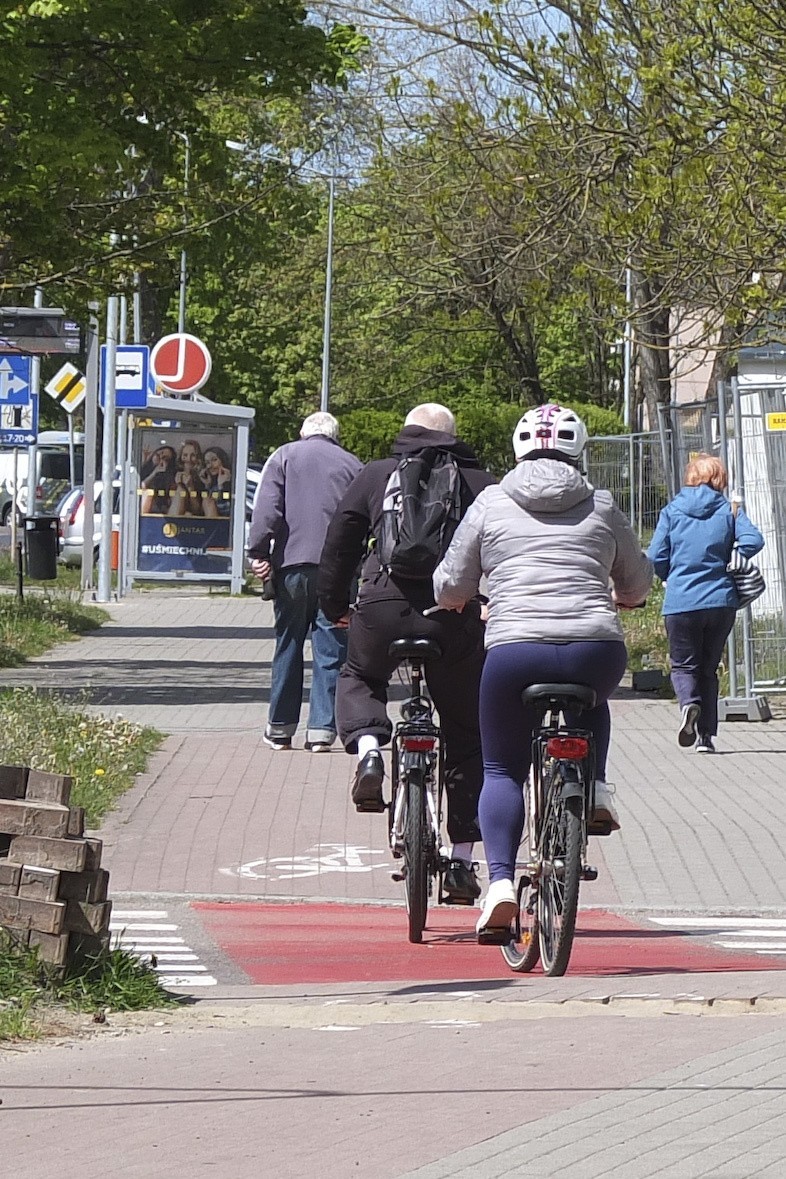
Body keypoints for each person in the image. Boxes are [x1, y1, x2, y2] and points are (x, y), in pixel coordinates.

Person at [433, 403, 653, 936]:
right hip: (593, 649)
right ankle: (596, 787)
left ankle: (502, 884)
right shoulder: (601, 504)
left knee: (501, 769)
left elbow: (450, 583)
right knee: (590, 700)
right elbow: (638, 582)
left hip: (515, 651)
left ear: (517, 448)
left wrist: (463, 599)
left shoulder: (491, 501)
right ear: (579, 451)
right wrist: (624, 597)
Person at [318, 403, 496, 904]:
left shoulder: (375, 475)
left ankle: (371, 752)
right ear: (452, 437)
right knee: (466, 729)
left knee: (357, 675)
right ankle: (462, 861)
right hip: (452, 611)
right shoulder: (480, 482)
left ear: (406, 432)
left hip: (384, 605)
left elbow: (339, 545)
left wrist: (335, 606)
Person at [248, 411, 363, 752]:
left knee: (289, 644)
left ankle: (280, 729)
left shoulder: (284, 456)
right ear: (335, 436)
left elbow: (267, 508)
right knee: (331, 651)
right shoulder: (352, 465)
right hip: (338, 571)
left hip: (292, 568)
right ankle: (322, 731)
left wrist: (258, 551)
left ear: (303, 433)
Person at [647, 454, 764, 754]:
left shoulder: (672, 511)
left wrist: (667, 575)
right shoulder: (730, 510)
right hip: (720, 601)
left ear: (690, 478)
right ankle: (706, 738)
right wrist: (736, 551)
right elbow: (755, 539)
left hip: (682, 601)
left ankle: (688, 705)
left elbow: (657, 555)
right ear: (719, 479)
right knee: (708, 669)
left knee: (684, 665)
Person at [170, 439, 218, 519]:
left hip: (197, 517)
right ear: (181, 456)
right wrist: (178, 485)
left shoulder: (202, 476)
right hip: (174, 517)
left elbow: (197, 510)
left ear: (198, 457)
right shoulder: (173, 473)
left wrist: (190, 488)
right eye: (185, 455)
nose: (188, 459)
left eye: (192, 455)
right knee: (180, 491)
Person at [139, 445, 177, 515]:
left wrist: (158, 471)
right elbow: (141, 486)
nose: (160, 456)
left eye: (165, 458)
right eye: (161, 452)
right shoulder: (141, 467)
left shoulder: (166, 478)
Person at [202, 446, 233, 517]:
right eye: (207, 463)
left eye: (214, 460)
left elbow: (227, 510)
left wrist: (221, 486)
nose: (210, 466)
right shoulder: (211, 484)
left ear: (223, 460)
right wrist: (207, 485)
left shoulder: (234, 482)